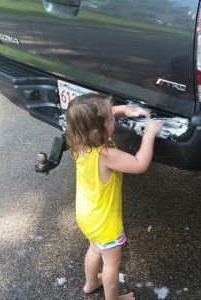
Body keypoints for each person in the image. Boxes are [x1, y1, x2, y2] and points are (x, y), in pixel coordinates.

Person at [65, 93, 162, 300]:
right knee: (111, 263)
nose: (114, 119)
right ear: (96, 131)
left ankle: (91, 283)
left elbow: (98, 118)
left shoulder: (79, 145)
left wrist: (126, 108)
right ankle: (114, 298)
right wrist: (149, 135)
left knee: (94, 249)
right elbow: (139, 164)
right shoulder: (106, 155)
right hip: (106, 223)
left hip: (87, 216)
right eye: (111, 119)